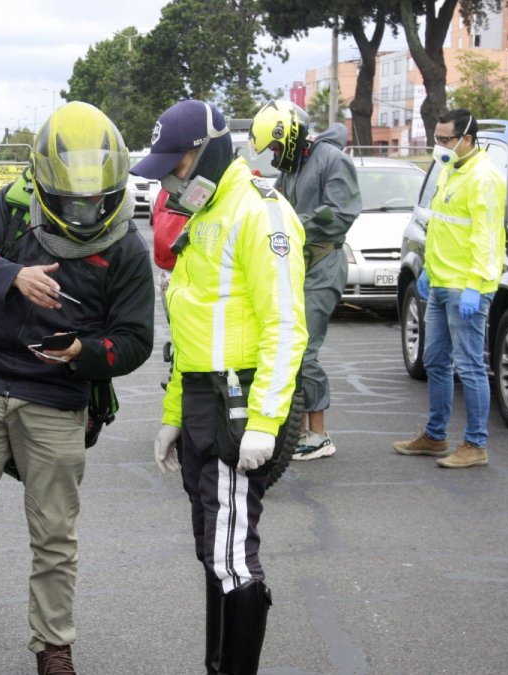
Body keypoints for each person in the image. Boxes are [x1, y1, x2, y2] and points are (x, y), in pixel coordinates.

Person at [0, 101, 155, 675]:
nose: (82, 211)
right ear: (46, 183)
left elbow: (135, 341)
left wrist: (82, 353)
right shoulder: (15, 204)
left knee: (54, 535)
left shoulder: (125, 247)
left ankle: (54, 647)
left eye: (94, 200)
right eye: (71, 200)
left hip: (56, 397)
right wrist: (13, 276)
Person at [137, 99, 307, 675]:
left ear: (204, 151)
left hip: (241, 404)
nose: (166, 179)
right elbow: (193, 327)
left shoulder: (261, 213)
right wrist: (173, 412)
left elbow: (286, 326)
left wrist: (264, 423)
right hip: (202, 400)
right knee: (213, 551)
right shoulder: (205, 210)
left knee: (233, 557)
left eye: (173, 165)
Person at [394, 108, 505, 468]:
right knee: (435, 361)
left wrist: (475, 285)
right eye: (436, 138)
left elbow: (486, 237)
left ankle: (475, 445)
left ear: (467, 140)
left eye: (445, 139)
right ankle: (435, 436)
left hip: (465, 288)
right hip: (441, 282)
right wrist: (427, 269)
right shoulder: (449, 170)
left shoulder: (484, 177)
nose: (438, 145)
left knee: (470, 366)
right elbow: (441, 226)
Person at [250, 100, 360, 461]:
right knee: (290, 347)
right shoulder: (293, 168)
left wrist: (296, 223)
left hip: (325, 264)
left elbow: (342, 213)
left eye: (277, 147)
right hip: (299, 266)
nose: (275, 154)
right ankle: (297, 429)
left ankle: (319, 434)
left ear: (292, 135)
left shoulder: (331, 160)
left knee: (305, 349)